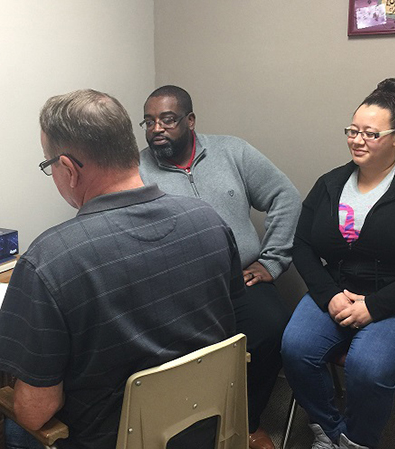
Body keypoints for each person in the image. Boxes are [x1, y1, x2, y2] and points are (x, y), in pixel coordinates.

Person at [0, 89, 246, 449]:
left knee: (15, 426)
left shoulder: (50, 259)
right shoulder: (209, 221)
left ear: (69, 170)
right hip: (202, 429)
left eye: (50, 167)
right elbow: (231, 325)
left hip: (107, 440)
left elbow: (35, 413)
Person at [281, 78, 395, 449]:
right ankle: (331, 431)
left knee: (368, 365)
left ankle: (355, 442)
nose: (357, 140)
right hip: (340, 291)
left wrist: (376, 307)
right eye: (352, 131)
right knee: (295, 349)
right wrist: (329, 295)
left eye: (370, 133)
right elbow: (300, 244)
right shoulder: (331, 183)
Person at [139, 85, 302, 449]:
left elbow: (284, 196)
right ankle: (192, 428)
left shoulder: (232, 151)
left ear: (190, 120)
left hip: (240, 279)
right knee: (181, 356)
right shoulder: (138, 171)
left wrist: (272, 261)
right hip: (179, 291)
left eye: (167, 119)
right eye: (149, 122)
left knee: (272, 328)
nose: (156, 130)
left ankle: (249, 421)